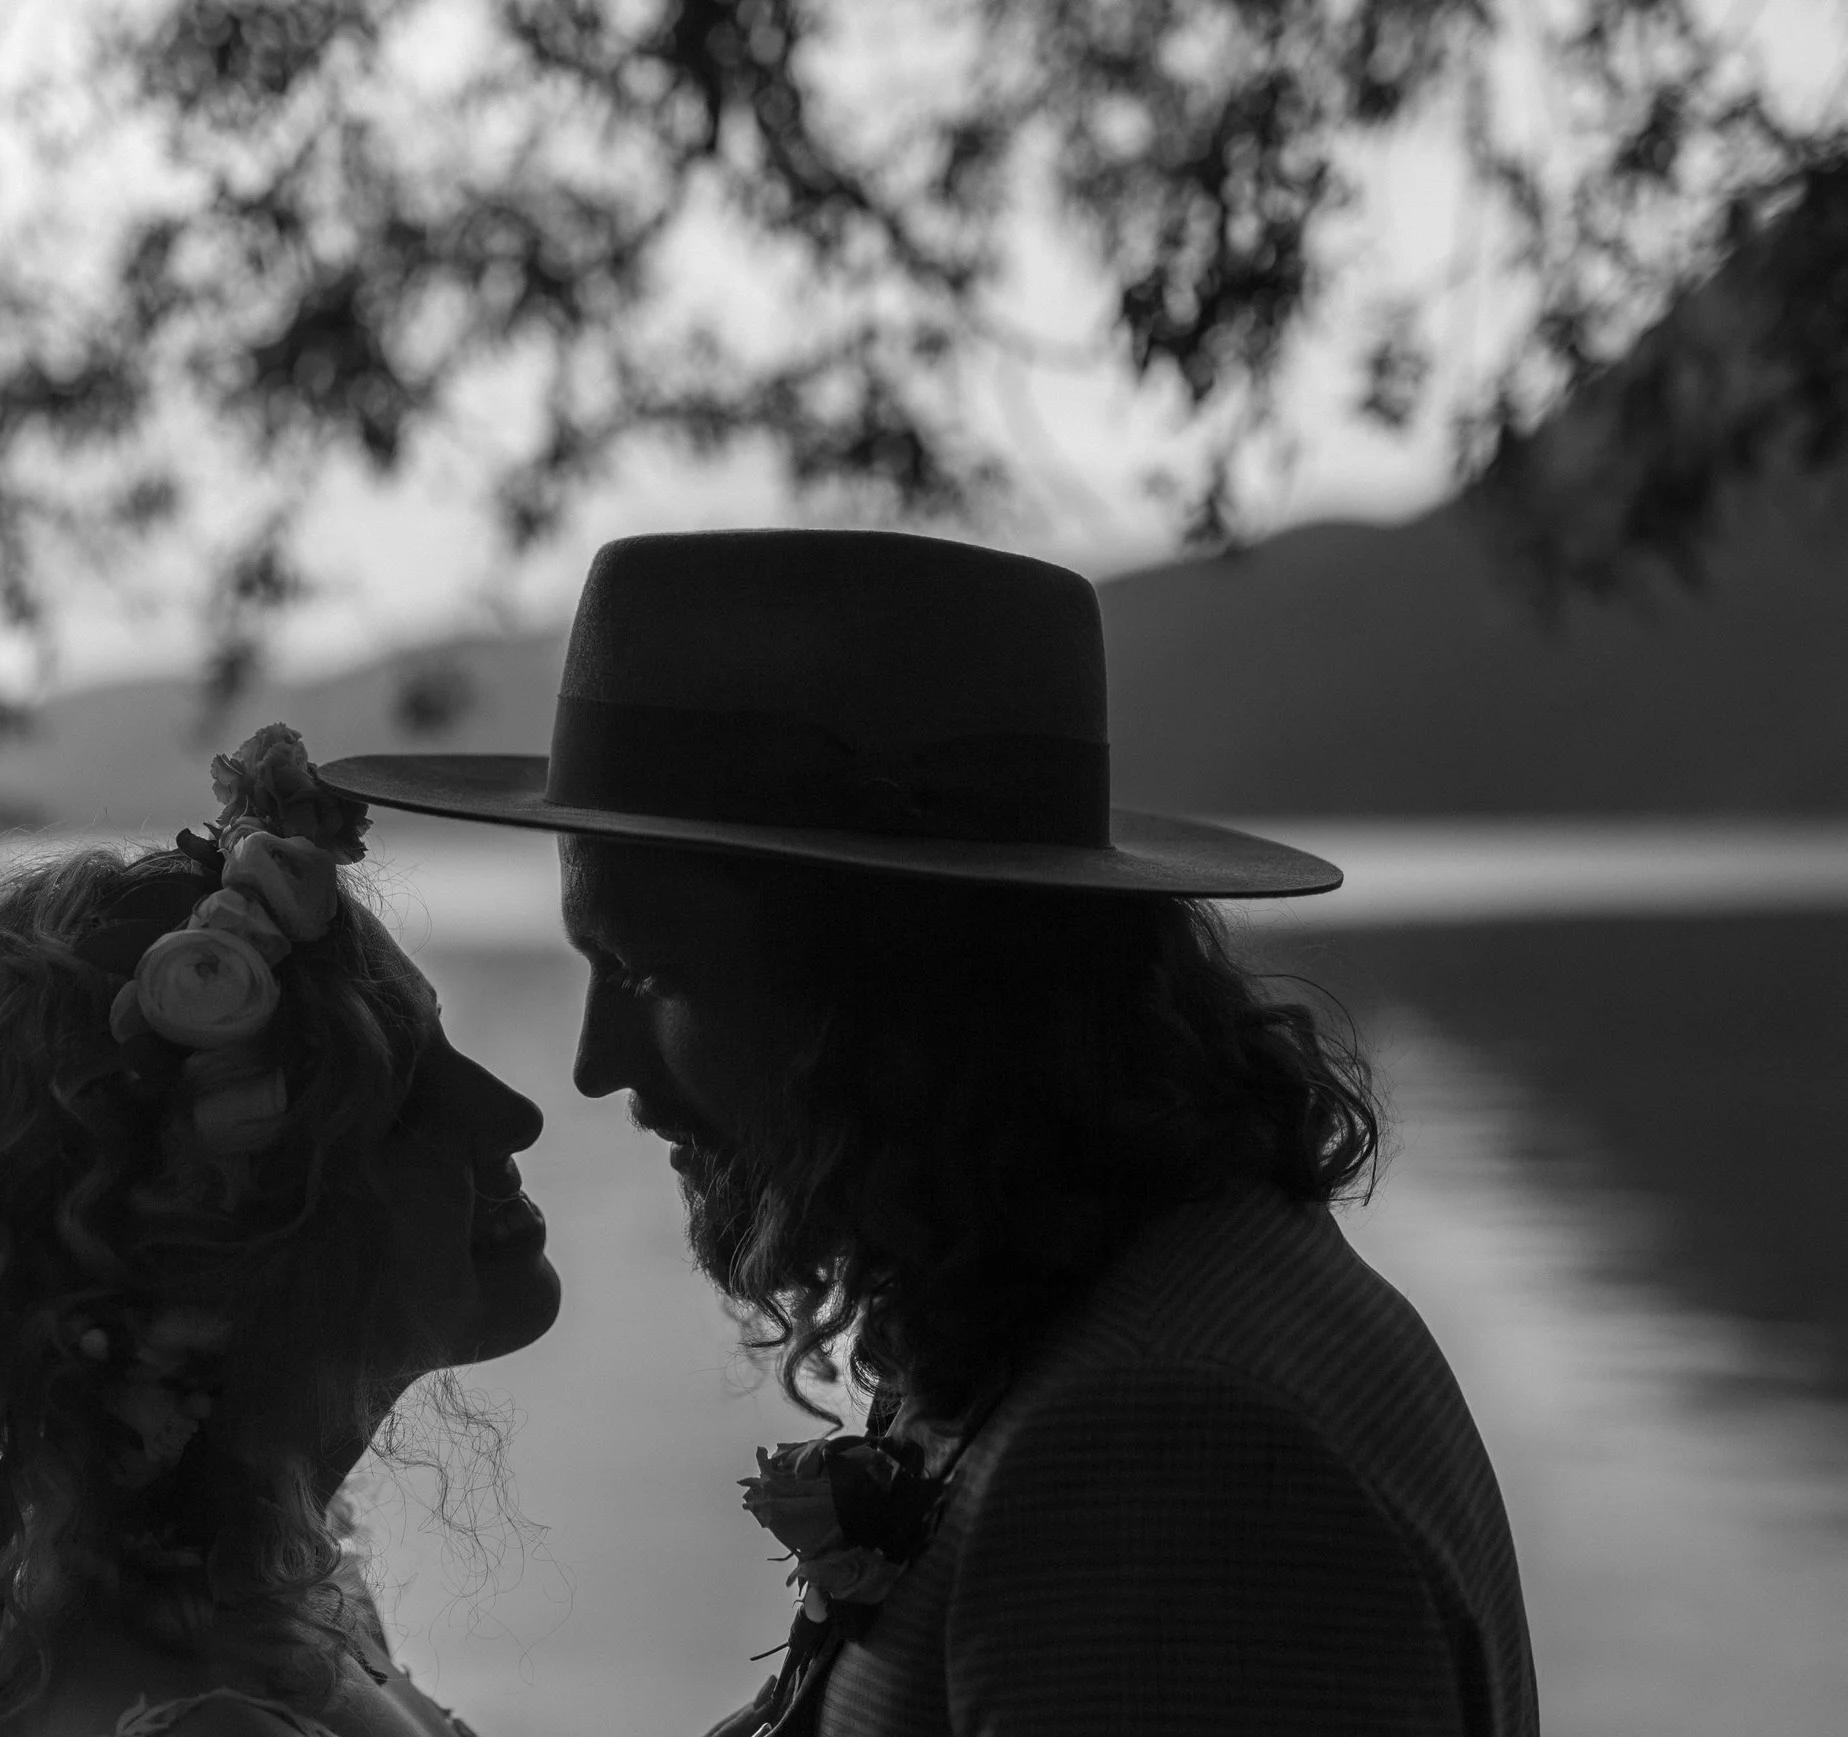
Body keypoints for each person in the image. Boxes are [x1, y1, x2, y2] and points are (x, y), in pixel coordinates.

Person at [319, 528, 1540, 1736]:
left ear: (896, 990)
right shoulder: (1085, 1294)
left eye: (649, 973)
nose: (593, 1067)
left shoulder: (1168, 1448)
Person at [0, 725, 556, 1737]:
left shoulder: (280, 1612)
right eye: (402, 1091)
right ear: (200, 1224)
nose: (511, 1115)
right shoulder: (206, 1719)